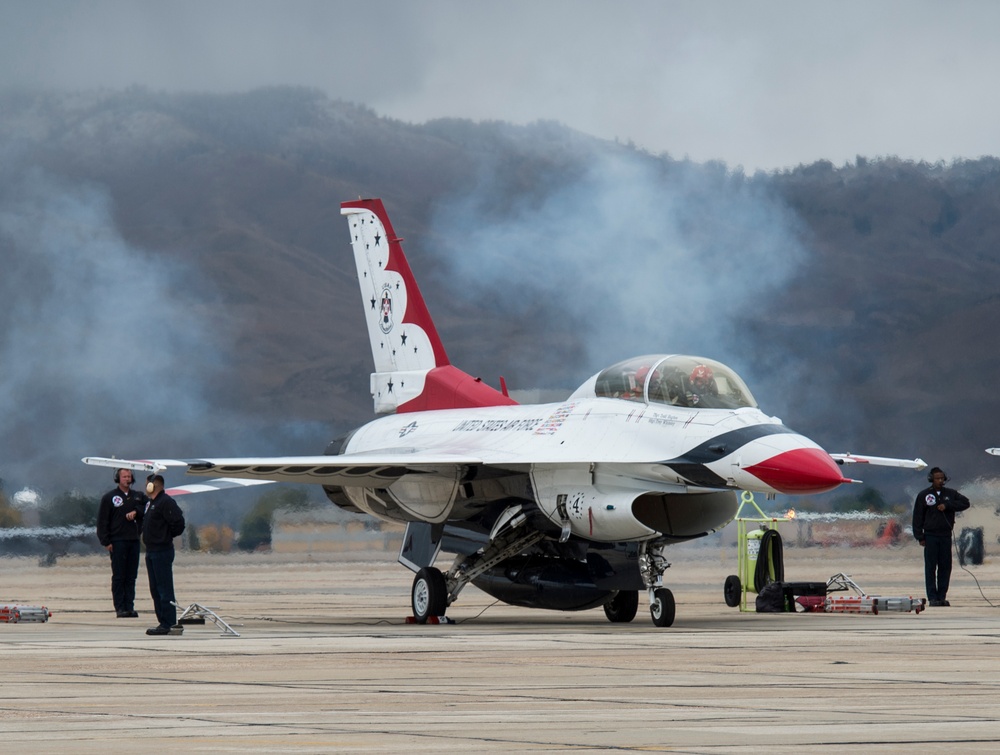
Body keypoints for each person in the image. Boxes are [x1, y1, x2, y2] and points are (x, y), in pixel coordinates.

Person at [912, 466, 970, 607]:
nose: (940, 480)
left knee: (945, 567)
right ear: (931, 479)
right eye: (937, 478)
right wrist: (919, 536)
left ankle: (942, 596)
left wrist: (948, 505)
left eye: (942, 478)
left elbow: (965, 503)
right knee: (931, 567)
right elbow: (917, 517)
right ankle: (932, 597)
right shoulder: (924, 495)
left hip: (945, 535)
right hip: (930, 536)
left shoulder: (951, 494)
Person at [96, 468, 146, 618]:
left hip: (133, 540)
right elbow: (102, 521)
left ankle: (129, 606)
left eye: (129, 476)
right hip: (117, 541)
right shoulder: (109, 497)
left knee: (131, 576)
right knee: (119, 576)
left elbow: (149, 507)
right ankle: (120, 607)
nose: (127, 479)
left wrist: (137, 511)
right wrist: (106, 541)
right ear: (118, 478)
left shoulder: (138, 496)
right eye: (124, 476)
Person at [142, 474, 186, 635]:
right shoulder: (152, 503)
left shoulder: (165, 502)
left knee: (164, 588)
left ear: (153, 486)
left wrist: (165, 536)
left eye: (147, 484)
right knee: (155, 588)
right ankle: (162, 621)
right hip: (151, 550)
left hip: (162, 550)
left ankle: (168, 623)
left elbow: (178, 523)